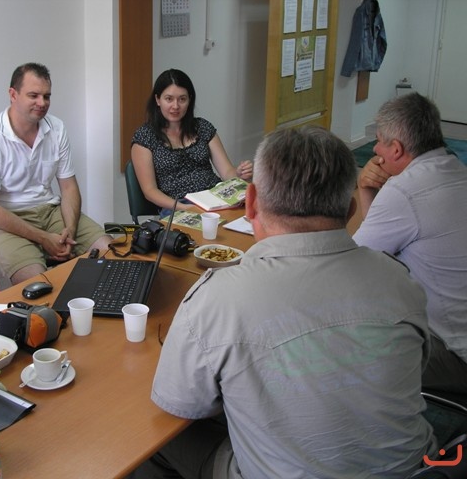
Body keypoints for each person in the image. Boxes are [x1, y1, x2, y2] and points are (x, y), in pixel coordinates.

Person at [130, 126, 436, 478]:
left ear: (251, 203)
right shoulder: (400, 281)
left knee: (154, 436)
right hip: (417, 470)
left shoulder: (218, 297)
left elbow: (183, 401)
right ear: (351, 208)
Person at [353, 92, 467, 396]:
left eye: (379, 141)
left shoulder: (404, 190)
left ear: (396, 149)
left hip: (455, 356)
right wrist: (366, 189)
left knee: (338, 338)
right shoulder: (456, 169)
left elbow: (355, 264)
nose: (374, 149)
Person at [0, 63, 112, 285]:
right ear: (13, 94)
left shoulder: (56, 128)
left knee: (111, 253)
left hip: (48, 209)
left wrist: (69, 231)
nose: (42, 103)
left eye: (47, 96)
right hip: (4, 217)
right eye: (33, 95)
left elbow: (68, 187)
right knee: (38, 284)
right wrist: (44, 238)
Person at [131, 69, 252, 216]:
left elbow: (227, 172)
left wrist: (238, 174)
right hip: (177, 204)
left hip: (215, 197)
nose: (176, 106)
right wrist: (184, 207)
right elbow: (150, 191)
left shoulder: (203, 127)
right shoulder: (145, 137)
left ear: (190, 100)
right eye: (169, 99)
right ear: (158, 100)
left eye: (182, 99)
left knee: (250, 217)